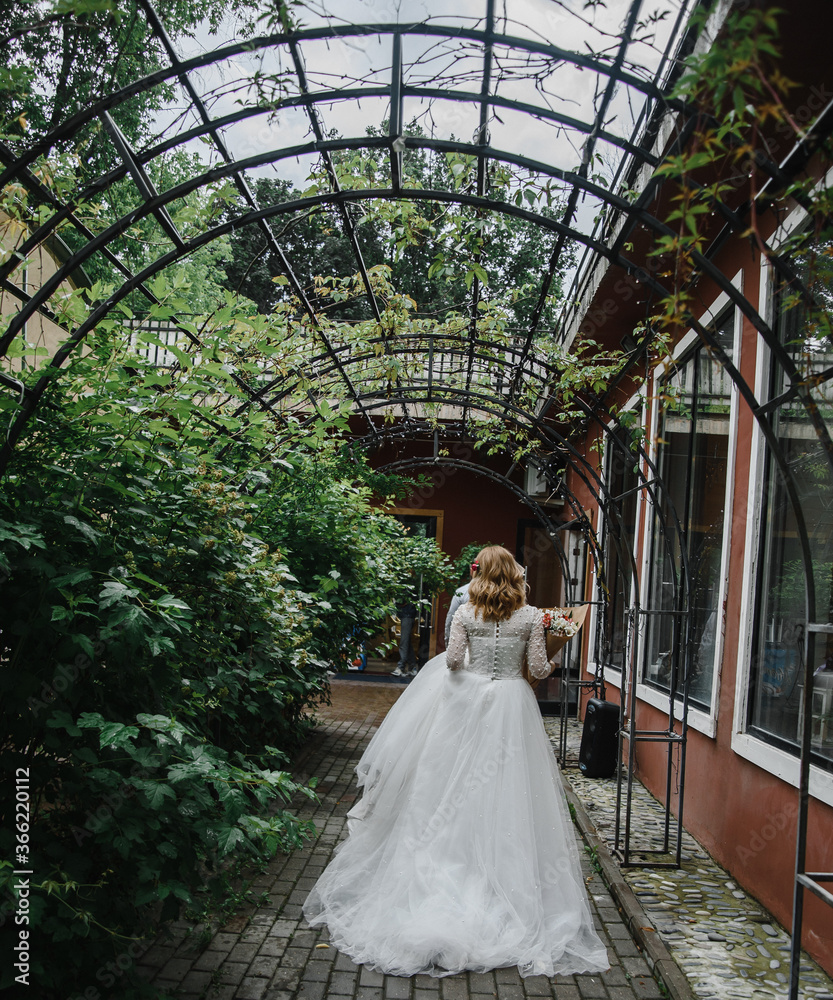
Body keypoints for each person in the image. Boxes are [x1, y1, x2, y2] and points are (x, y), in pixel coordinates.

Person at [303, 545, 609, 979]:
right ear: (515, 574)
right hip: (511, 703)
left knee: (448, 782)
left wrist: (476, 662)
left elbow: (451, 661)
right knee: (508, 786)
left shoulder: (466, 611)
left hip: (467, 702)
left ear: (479, 573)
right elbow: (539, 670)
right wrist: (553, 656)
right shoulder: (531, 616)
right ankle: (504, 879)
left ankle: (441, 856)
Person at [443, 557, 476, 644]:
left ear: (471, 571)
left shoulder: (461, 592)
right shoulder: (504, 593)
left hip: (465, 643)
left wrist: (448, 643)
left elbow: (450, 620)